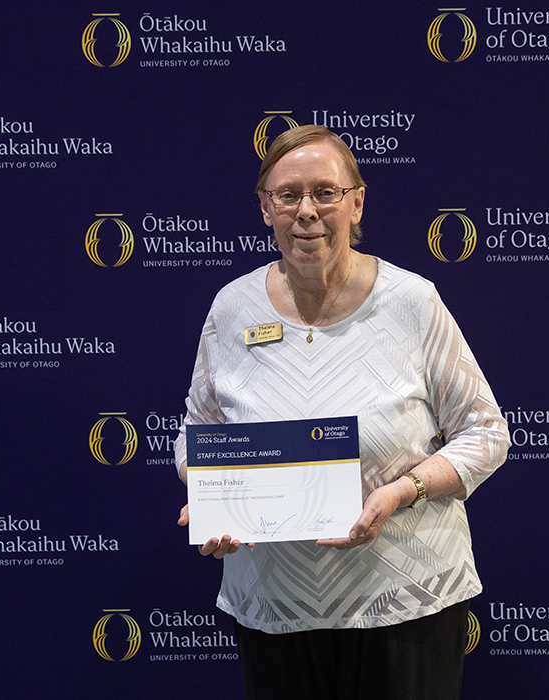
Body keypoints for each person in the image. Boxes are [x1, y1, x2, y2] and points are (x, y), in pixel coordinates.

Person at [174, 125, 509, 700]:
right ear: (265, 209)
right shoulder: (232, 308)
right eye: (288, 195)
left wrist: (401, 491)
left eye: (325, 193)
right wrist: (215, 498)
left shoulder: (412, 301)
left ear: (356, 202)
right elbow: (197, 433)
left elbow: (486, 433)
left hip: (405, 600)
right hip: (276, 607)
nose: (307, 211)